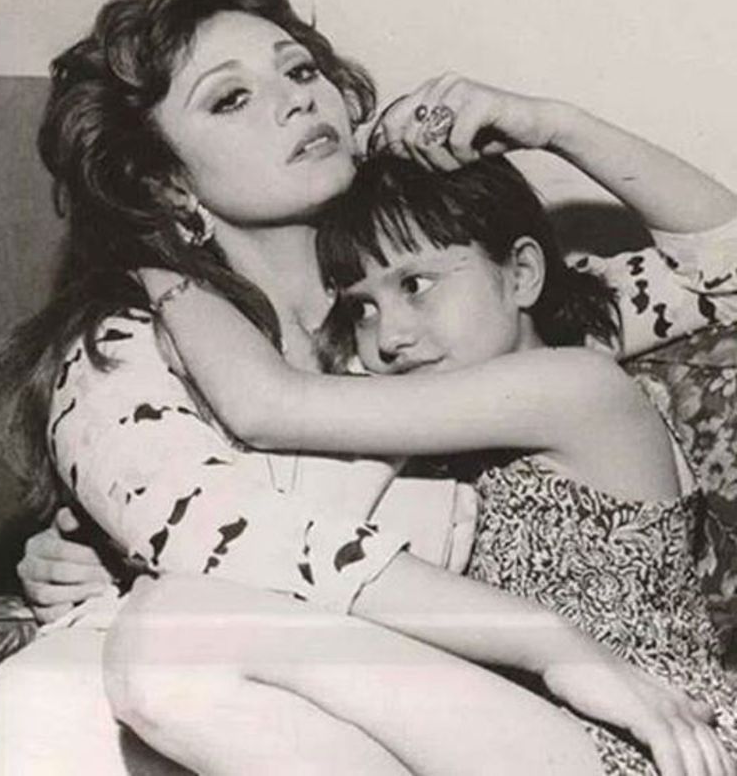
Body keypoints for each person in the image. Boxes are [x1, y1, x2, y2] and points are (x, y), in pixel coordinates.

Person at [0, 0, 735, 776]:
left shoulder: (446, 327)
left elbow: (721, 276)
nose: (297, 101)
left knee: (171, 634)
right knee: (89, 681)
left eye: (300, 71)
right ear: (164, 182)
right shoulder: (124, 346)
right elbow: (235, 540)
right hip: (218, 717)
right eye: (232, 98)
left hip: (467, 724)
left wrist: (550, 124)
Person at [137, 148, 737, 773]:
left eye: (415, 286)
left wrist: (146, 255)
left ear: (521, 273)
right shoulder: (442, 440)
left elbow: (268, 405)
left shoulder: (578, 385)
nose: (389, 337)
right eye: (362, 308)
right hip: (526, 737)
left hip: (650, 744)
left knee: (172, 627)